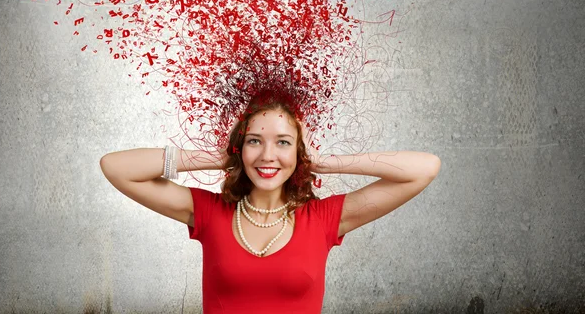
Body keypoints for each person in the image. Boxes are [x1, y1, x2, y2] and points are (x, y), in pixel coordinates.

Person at [100, 93, 441, 313]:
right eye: (254, 141)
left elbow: (424, 169)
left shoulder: (324, 219)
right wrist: (221, 156)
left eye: (282, 142)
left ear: (298, 150)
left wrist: (322, 161)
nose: (267, 155)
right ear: (240, 146)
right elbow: (116, 168)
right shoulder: (208, 212)